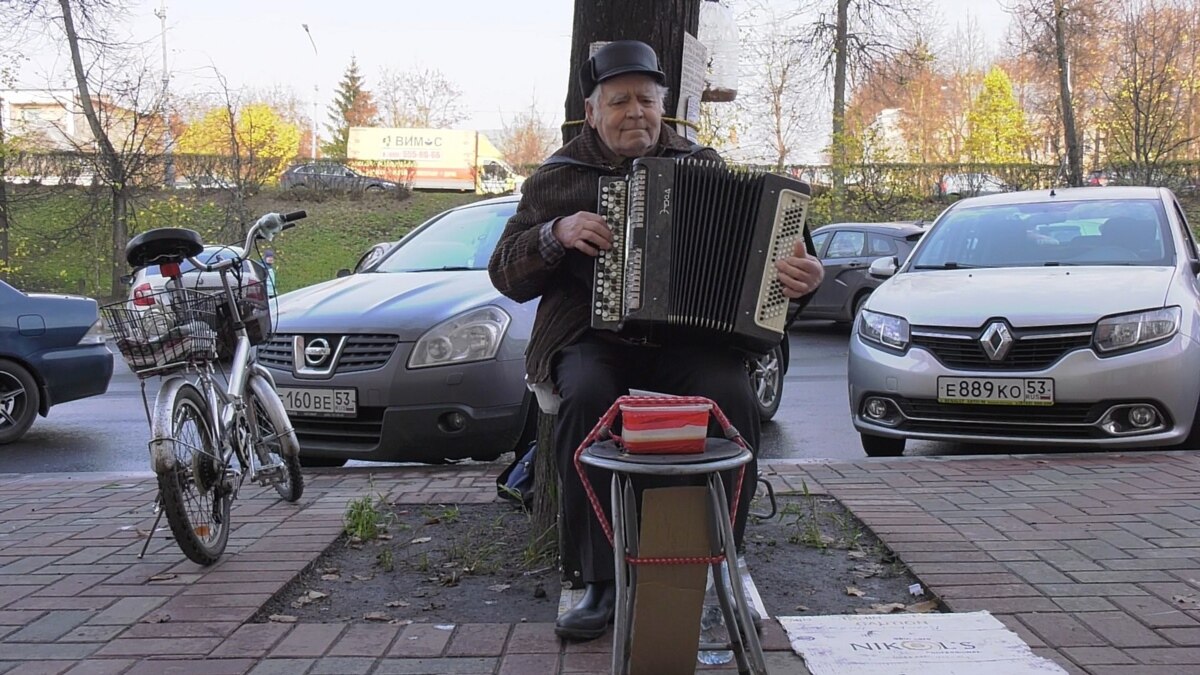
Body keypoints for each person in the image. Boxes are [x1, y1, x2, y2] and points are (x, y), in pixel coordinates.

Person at [487, 39, 825, 642]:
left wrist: (799, 282)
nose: (635, 112)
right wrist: (556, 234)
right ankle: (599, 580)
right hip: (592, 336)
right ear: (592, 111)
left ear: (663, 106)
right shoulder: (558, 179)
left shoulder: (703, 164)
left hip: (687, 341)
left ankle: (723, 558)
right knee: (587, 397)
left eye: (646, 99)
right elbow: (504, 272)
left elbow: (774, 263)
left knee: (732, 397)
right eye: (619, 101)